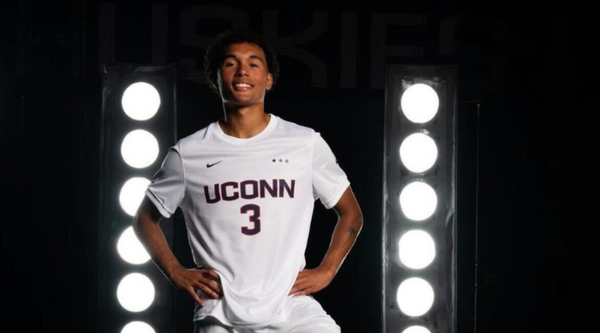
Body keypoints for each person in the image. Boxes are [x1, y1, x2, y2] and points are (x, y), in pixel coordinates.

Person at [133, 30, 363, 333]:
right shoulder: (188, 154)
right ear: (215, 78)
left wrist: (327, 270)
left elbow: (351, 213)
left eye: (254, 64)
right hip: (220, 313)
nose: (242, 71)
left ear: (268, 79)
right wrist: (176, 271)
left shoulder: (304, 143)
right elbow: (144, 220)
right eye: (230, 64)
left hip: (289, 305)